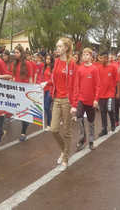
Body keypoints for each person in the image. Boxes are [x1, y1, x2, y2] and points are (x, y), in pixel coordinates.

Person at [40, 37, 78, 172]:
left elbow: (75, 84)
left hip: (67, 101)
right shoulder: (56, 62)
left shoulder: (71, 63)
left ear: (66, 48)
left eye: (60, 46)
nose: (58, 48)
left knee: (67, 131)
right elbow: (53, 79)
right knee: (54, 129)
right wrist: (47, 83)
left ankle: (66, 158)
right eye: (57, 46)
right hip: (56, 99)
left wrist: (74, 104)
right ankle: (64, 149)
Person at [74, 48, 101, 150]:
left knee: (91, 121)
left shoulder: (94, 69)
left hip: (91, 100)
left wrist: (96, 99)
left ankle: (91, 140)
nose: (84, 56)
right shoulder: (79, 69)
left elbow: (98, 85)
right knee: (79, 116)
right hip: (81, 98)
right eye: (83, 54)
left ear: (91, 57)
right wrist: (76, 100)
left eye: (87, 54)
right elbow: (77, 85)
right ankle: (82, 137)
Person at [10, 45, 33, 141]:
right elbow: (13, 76)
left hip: (25, 90)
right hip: (17, 91)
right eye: (14, 53)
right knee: (19, 111)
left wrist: (31, 91)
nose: (15, 54)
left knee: (23, 112)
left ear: (21, 53)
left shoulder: (27, 64)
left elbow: (30, 77)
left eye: (17, 52)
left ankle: (23, 133)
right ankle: (26, 122)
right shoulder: (13, 64)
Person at [97, 51, 120, 136]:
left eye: (101, 58)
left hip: (110, 92)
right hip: (101, 93)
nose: (100, 59)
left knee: (110, 109)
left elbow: (118, 81)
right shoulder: (99, 68)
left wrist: (118, 92)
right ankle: (104, 128)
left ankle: (113, 122)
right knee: (103, 111)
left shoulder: (113, 68)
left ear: (106, 59)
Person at [42, 53, 55, 132]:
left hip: (50, 89)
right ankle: (52, 119)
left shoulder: (53, 69)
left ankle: (49, 124)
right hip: (44, 89)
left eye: (49, 59)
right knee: (44, 107)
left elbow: (53, 80)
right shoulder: (44, 68)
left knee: (47, 106)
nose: (47, 60)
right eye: (47, 58)